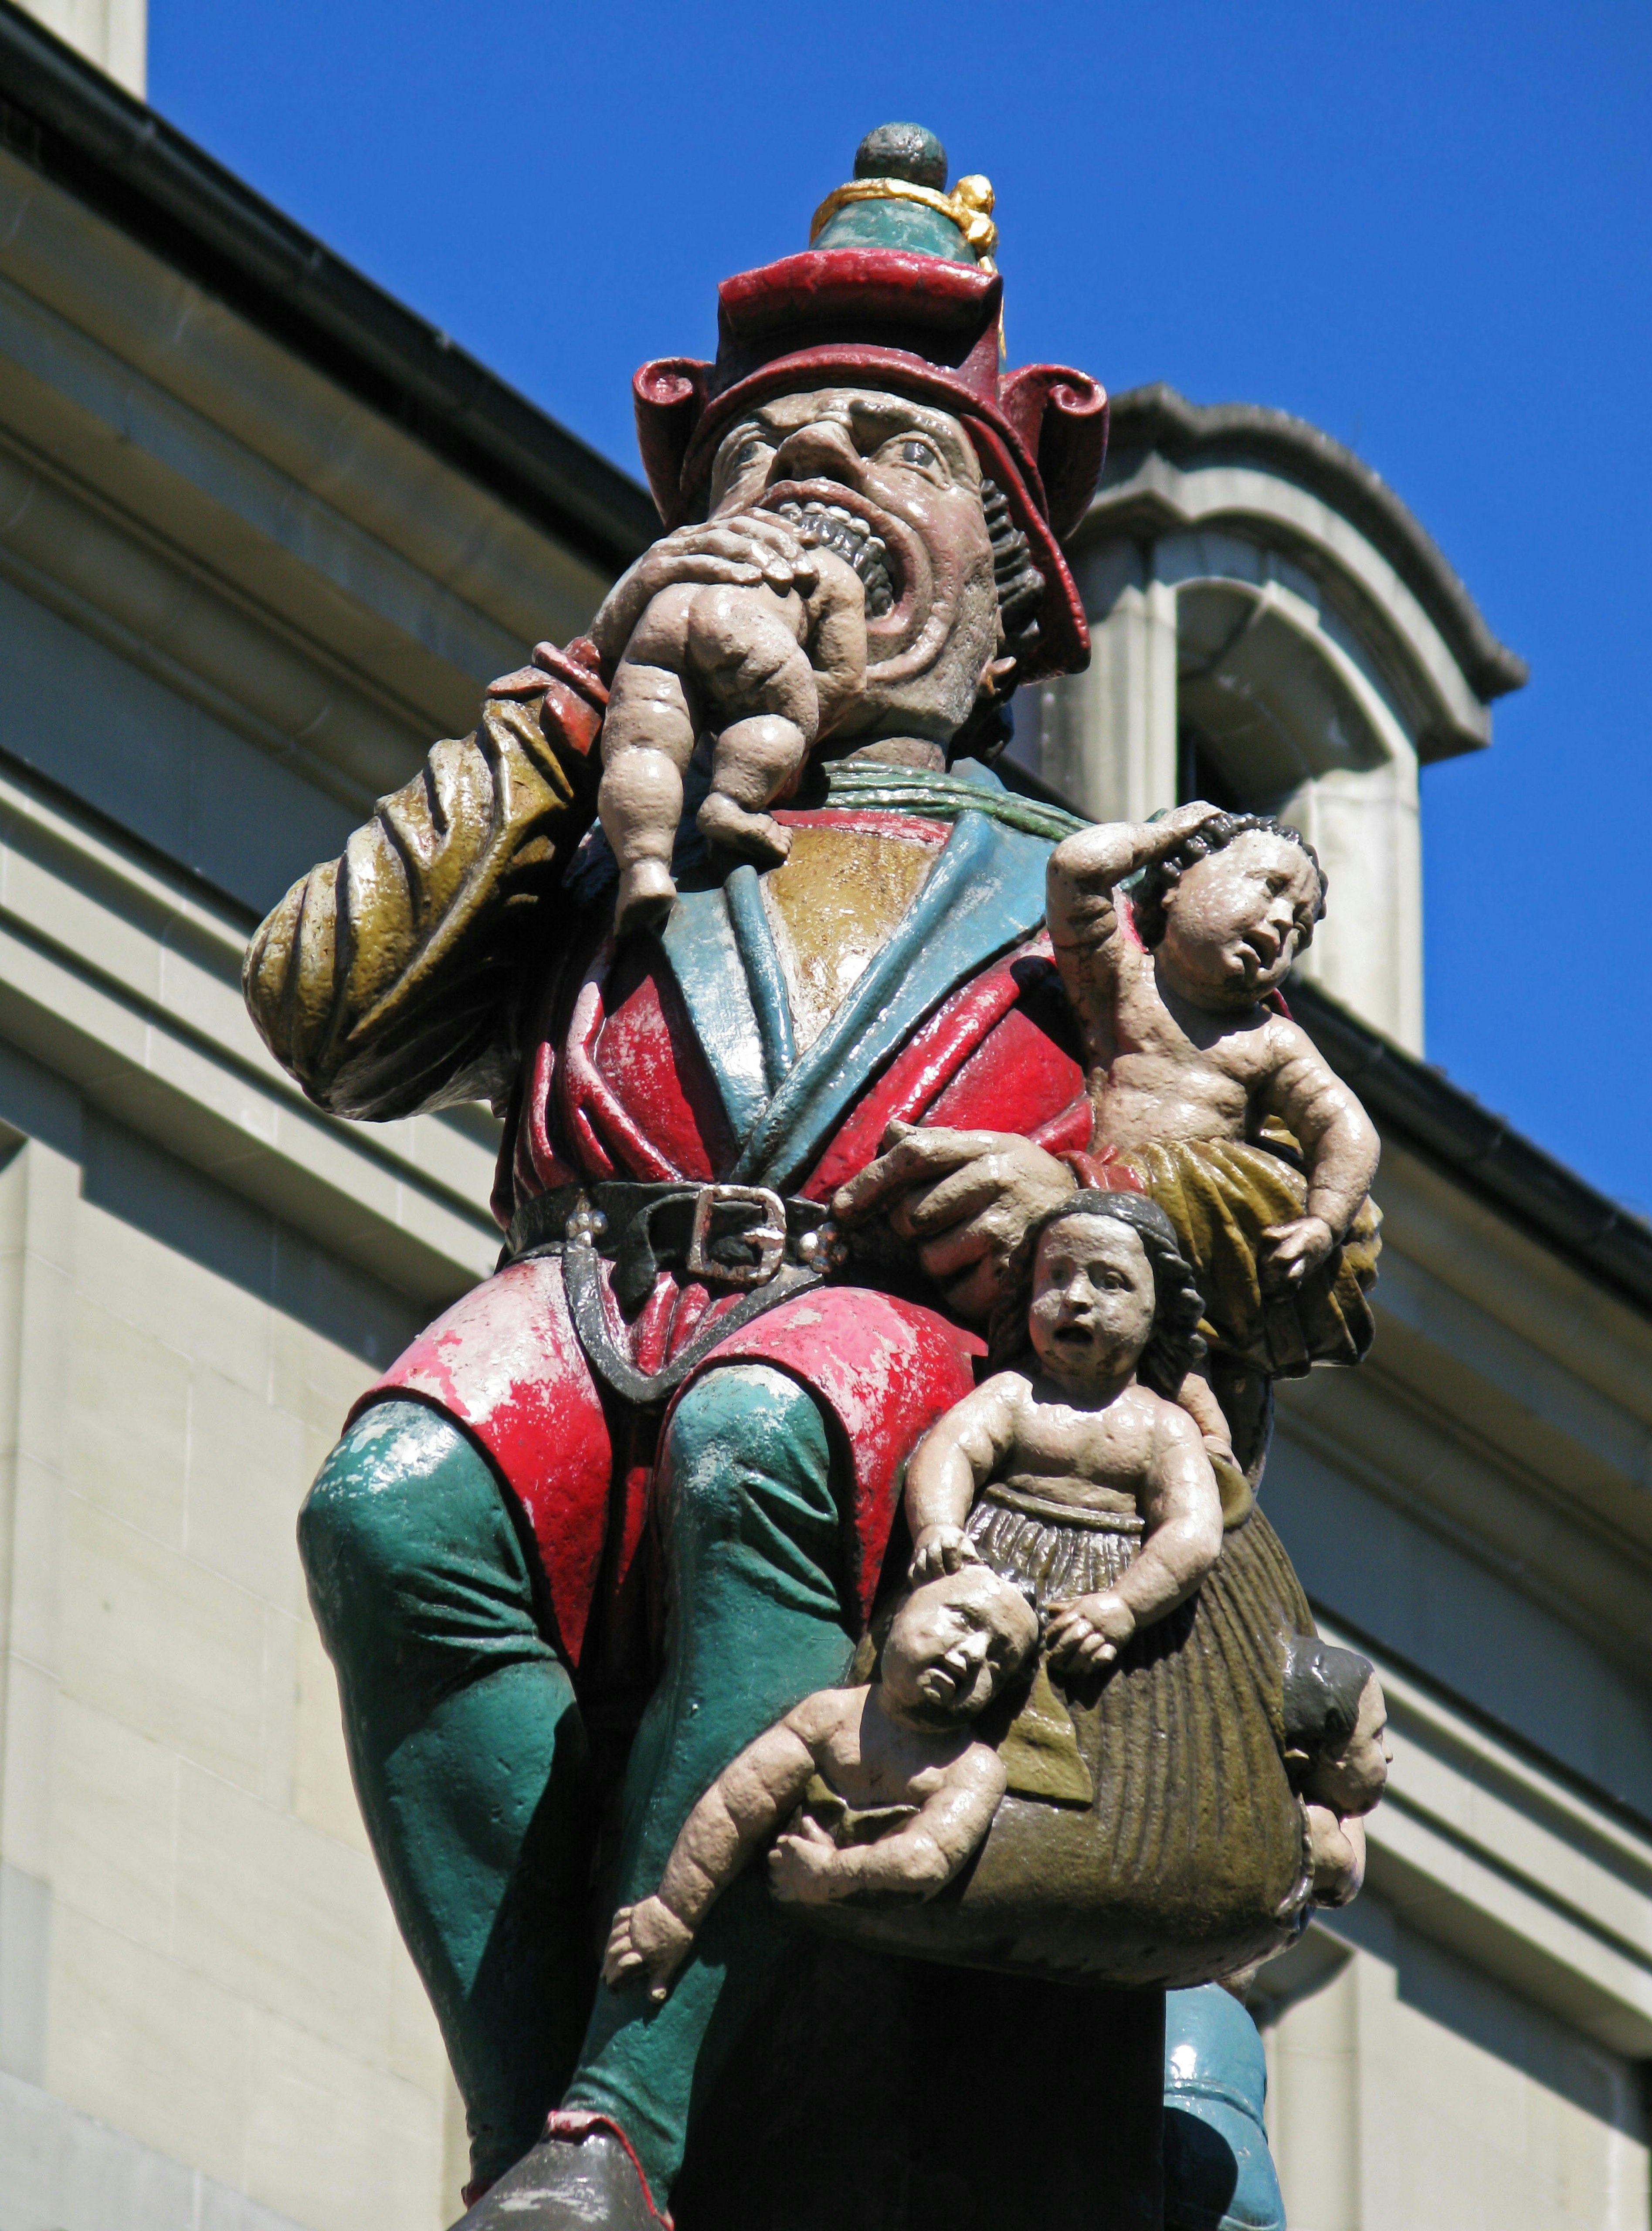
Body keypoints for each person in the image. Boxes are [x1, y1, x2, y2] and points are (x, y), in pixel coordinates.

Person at [251, 123, 1115, 2228]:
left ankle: (623, 2109)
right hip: (594, 1282)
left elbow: (1250, 1198)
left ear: (1000, 585)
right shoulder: (592, 814)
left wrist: (1102, 1224)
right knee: (393, 1500)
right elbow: (322, 1004)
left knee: (761, 1428)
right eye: (763, 455)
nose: (806, 485)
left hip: (874, 1332)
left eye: (885, 450)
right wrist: (577, 700)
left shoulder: (1079, 885)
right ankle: (536, 2105)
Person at [1045, 803, 1383, 1485]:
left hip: (1187, 1227)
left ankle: (1208, 1453)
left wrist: (1322, 1220)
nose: (1286, 922)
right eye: (1268, 886)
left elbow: (1345, 1129)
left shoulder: (1270, 1042)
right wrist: (1161, 835)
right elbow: (1075, 871)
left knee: (1183, 1344)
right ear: (1175, 883)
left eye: (1304, 926)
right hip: (1099, 1201)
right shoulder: (1123, 980)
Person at [603, 1564, 1037, 2002]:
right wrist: (674, 1911)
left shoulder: (973, 1768)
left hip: (884, 1983)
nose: (974, 1653)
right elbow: (735, 1807)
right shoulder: (828, 1716)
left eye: (999, 1660)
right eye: (963, 1619)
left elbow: (923, 1861)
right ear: (901, 1610)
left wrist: (829, 1875)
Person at [905, 1190, 1223, 1675]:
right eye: (1055, 1276)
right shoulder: (1013, 1395)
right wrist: (938, 1525)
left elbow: (1193, 1530)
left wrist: (1126, 1605)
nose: (1075, 1297)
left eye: (1110, 1282)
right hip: (980, 1582)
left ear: (1157, 1310)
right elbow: (952, 1450)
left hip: (1097, 1613)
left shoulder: (1165, 1426)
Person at [597, 522, 869, 933]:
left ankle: (644, 868)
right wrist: (789, 747)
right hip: (738, 622)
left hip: (668, 613)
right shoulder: (832, 571)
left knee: (643, 747)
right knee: (787, 718)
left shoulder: (723, 535)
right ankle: (731, 805)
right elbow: (844, 678)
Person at [1281, 1637, 1391, 1906]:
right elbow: (1345, 1872)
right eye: (1376, 1737)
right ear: (1331, 1757)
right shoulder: (1319, 1834)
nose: (1389, 1754)